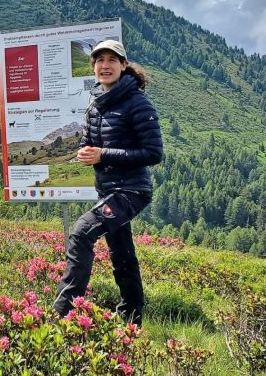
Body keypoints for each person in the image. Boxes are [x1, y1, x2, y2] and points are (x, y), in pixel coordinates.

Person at [52, 39, 163, 326]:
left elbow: (153, 153)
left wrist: (104, 154)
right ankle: (132, 317)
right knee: (122, 252)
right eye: (99, 60)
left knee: (81, 233)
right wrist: (87, 151)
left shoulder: (138, 102)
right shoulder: (96, 103)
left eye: (112, 60)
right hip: (108, 189)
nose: (105, 65)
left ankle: (61, 316)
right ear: (93, 67)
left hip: (131, 190)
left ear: (124, 65)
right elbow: (93, 143)